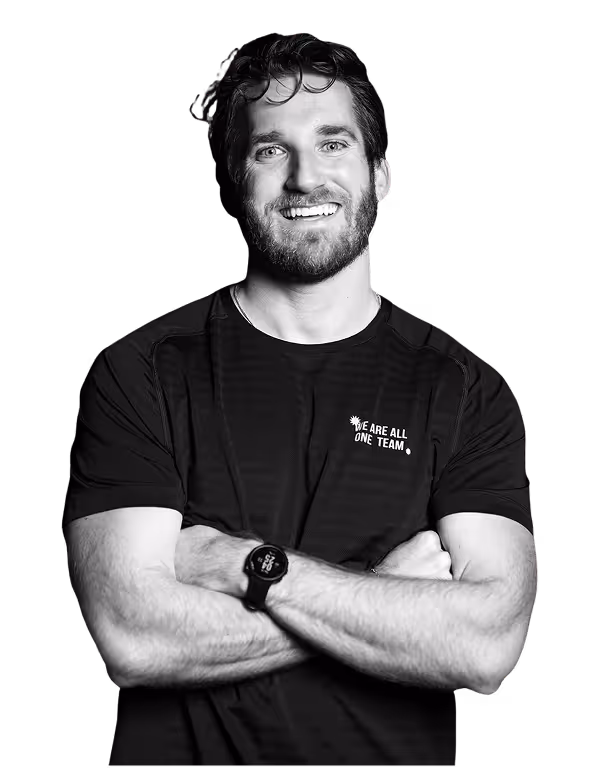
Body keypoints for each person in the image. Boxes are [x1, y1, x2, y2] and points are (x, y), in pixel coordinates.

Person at [64, 32, 536, 766]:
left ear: (379, 175)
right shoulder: (142, 371)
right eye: (270, 150)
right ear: (235, 178)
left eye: (334, 143)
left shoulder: (465, 389)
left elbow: (486, 646)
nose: (304, 178)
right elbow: (131, 636)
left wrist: (236, 564)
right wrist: (383, 598)